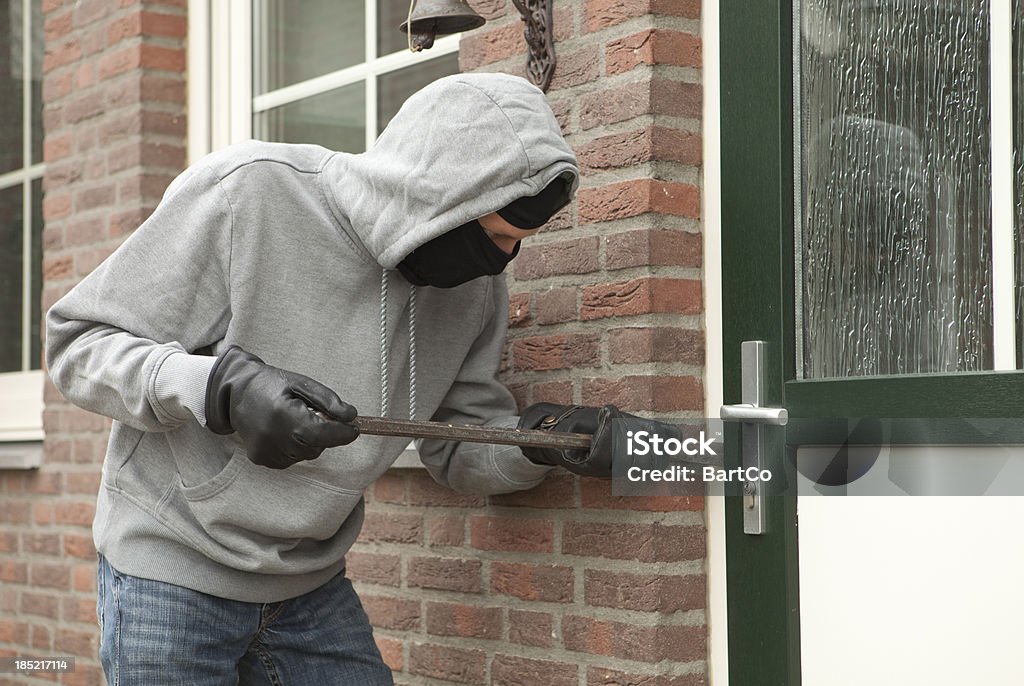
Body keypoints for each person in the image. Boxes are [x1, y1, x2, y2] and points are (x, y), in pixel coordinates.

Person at [46, 73, 629, 685]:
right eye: (495, 237)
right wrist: (220, 388)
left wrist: (537, 444)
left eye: (518, 245)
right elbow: (78, 345)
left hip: (310, 585)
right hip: (172, 568)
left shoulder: (475, 290)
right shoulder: (248, 194)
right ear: (441, 196)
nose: (502, 261)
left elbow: (456, 445)